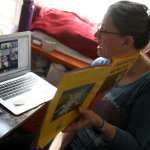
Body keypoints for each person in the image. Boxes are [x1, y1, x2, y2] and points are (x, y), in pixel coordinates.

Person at [49, 1, 150, 150]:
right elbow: (72, 122)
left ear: (127, 41)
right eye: (99, 27)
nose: (96, 34)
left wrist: (99, 123)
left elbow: (136, 146)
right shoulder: (99, 64)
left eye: (103, 30)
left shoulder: (145, 86)